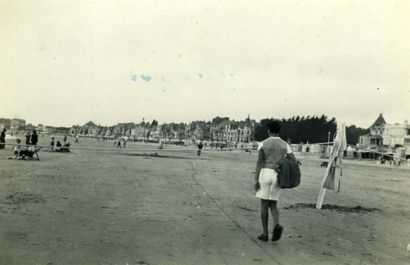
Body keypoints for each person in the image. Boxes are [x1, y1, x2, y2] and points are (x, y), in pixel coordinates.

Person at [254, 120, 296, 242]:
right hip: (278, 175)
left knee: (264, 204)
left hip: (265, 173)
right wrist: (281, 165)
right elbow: (293, 160)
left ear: (269, 130)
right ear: (278, 131)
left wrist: (256, 179)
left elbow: (259, 163)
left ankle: (265, 233)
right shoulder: (284, 144)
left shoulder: (263, 143)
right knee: (273, 204)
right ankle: (276, 223)